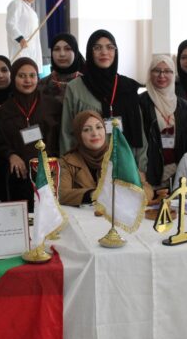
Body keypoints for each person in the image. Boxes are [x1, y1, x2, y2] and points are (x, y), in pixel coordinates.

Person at [60, 29, 148, 171]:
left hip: (126, 167)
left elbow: (139, 134)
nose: (104, 52)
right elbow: (67, 133)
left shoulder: (127, 87)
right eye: (97, 47)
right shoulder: (75, 88)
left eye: (110, 47)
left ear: (116, 52)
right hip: (88, 168)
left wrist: (141, 169)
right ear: (90, 52)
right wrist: (72, 170)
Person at [59, 111, 153, 206]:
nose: (95, 133)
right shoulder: (66, 162)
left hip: (116, 213)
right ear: (78, 134)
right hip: (82, 215)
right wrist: (95, 194)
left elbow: (147, 188)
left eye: (99, 127)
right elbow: (60, 194)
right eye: (86, 130)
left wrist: (126, 196)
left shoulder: (119, 157)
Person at [0, 57, 61, 182]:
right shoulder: (3, 112)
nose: (28, 80)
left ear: (38, 78)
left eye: (32, 75)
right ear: (13, 78)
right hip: (19, 174)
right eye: (22, 76)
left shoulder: (53, 105)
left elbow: (61, 138)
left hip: (51, 172)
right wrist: (10, 155)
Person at [140, 54, 187, 189]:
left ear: (173, 74)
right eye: (157, 70)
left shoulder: (182, 105)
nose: (162, 75)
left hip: (178, 169)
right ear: (150, 73)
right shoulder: (141, 102)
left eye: (167, 71)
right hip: (151, 171)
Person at [39, 33, 84, 102]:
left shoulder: (87, 84)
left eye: (67, 49)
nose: (62, 54)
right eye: (57, 49)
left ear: (75, 52)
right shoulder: (41, 85)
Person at [6, 0, 42, 68]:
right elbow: (10, 24)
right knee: (21, 67)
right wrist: (20, 39)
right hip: (20, 46)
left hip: (31, 46)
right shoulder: (16, 4)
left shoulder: (26, 6)